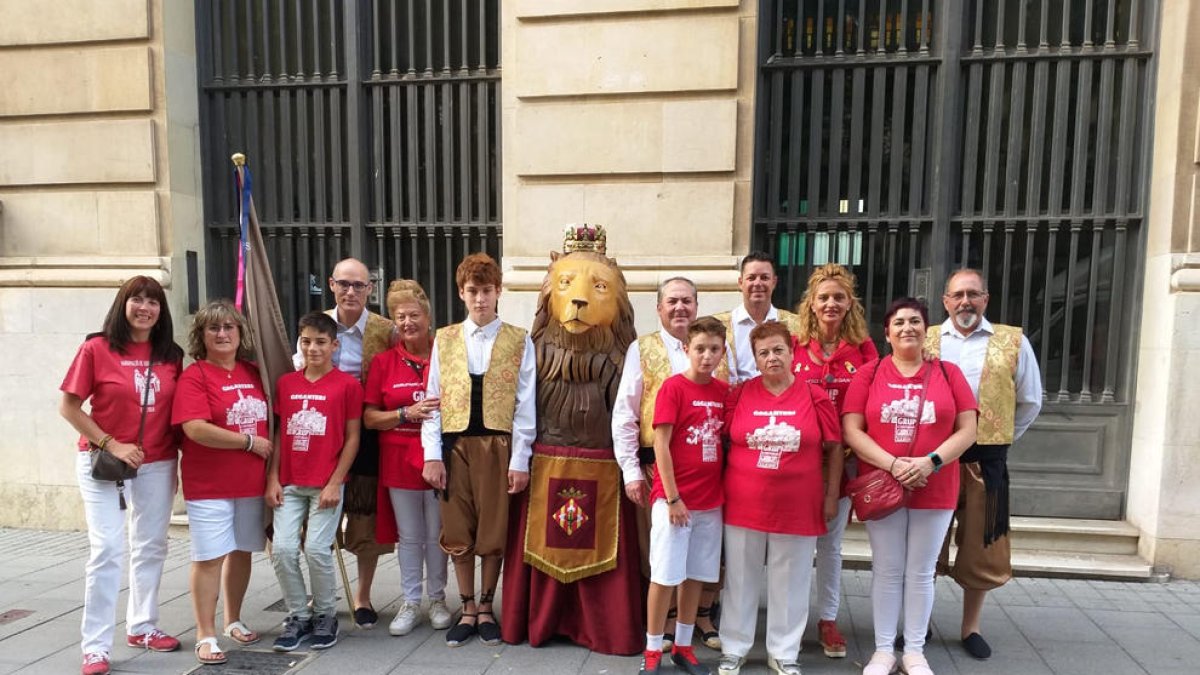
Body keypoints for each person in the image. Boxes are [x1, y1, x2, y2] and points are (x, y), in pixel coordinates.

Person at [842, 298, 978, 675]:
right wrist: (894, 464)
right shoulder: (868, 374)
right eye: (898, 322)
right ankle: (884, 650)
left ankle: (914, 651)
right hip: (883, 485)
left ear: (926, 329)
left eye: (915, 321)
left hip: (935, 486)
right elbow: (852, 430)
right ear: (886, 334)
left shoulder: (948, 374)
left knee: (920, 571)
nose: (907, 328)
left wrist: (929, 462)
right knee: (886, 568)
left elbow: (968, 429)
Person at [59, 276, 185, 675]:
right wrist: (111, 443)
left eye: (153, 301)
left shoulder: (171, 354)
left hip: (157, 461)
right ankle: (95, 647)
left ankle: (142, 625)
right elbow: (69, 407)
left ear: (161, 311)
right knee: (107, 550)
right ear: (123, 304)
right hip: (104, 463)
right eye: (137, 300)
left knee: (151, 546)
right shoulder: (96, 348)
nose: (145, 307)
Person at [421, 252, 536, 648]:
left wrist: (520, 460)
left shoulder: (520, 339)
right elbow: (432, 400)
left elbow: (525, 405)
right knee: (457, 529)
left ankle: (488, 607)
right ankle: (466, 606)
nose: (480, 299)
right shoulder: (445, 338)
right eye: (473, 291)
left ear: (499, 291)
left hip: (498, 445)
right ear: (461, 293)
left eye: (487, 291)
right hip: (454, 446)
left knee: (493, 529)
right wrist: (431, 454)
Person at [929, 269, 1042, 660]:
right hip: (935, 460)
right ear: (945, 301)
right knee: (926, 545)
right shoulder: (926, 339)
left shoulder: (1012, 341)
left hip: (986, 461)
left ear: (985, 299)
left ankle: (970, 626)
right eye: (957, 294)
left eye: (972, 294)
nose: (965, 302)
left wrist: (998, 438)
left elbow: (1030, 401)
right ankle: (919, 623)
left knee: (982, 547)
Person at [717, 321, 842, 675]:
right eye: (763, 352)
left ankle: (784, 651)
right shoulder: (740, 395)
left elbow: (834, 450)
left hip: (798, 504)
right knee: (740, 577)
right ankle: (735, 648)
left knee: (793, 577)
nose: (772, 358)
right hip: (744, 503)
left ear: (792, 353)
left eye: (778, 350)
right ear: (755, 359)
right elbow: (723, 439)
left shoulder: (814, 396)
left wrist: (831, 496)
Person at [613, 278, 723, 650]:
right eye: (672, 301)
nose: (680, 308)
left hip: (707, 480)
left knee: (697, 565)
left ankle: (688, 634)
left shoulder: (716, 350)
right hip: (656, 473)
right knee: (661, 561)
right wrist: (629, 470)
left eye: (687, 301)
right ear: (659, 308)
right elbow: (625, 414)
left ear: (696, 306)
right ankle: (657, 638)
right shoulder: (641, 349)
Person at [292, 258, 396, 629]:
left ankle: (363, 594)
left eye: (359, 285)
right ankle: (319, 592)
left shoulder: (386, 329)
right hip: (321, 431)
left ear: (371, 289)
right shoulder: (315, 325)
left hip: (367, 434)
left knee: (365, 516)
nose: (351, 292)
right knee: (314, 515)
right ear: (331, 285)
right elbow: (297, 372)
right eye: (344, 284)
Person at [172, 300, 272, 665]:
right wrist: (246, 442)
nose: (223, 333)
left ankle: (232, 619)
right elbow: (194, 428)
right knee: (210, 557)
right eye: (214, 328)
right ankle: (205, 633)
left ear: (241, 333)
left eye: (230, 327)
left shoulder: (253, 372)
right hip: (209, 485)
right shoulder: (195, 375)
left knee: (242, 551)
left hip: (250, 482)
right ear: (201, 336)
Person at [789, 264, 879, 659]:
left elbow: (876, 403)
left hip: (842, 463)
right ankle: (788, 621)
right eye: (823, 297)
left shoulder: (864, 350)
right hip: (796, 464)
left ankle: (827, 618)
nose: (830, 303)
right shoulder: (793, 346)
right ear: (811, 303)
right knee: (794, 545)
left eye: (838, 297)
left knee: (830, 545)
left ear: (849, 304)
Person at [268, 311, 364, 652]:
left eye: (321, 342)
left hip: (326, 482)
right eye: (306, 341)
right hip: (291, 482)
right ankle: (298, 615)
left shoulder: (348, 386)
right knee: (281, 550)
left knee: (316, 550)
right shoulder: (286, 383)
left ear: (335, 345)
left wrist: (337, 481)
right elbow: (280, 434)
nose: (313, 348)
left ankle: (325, 614)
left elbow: (353, 438)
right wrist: (273, 479)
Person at [640, 316, 729, 675]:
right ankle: (651, 650)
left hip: (711, 501)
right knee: (664, 575)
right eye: (700, 349)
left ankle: (683, 645)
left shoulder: (723, 393)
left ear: (722, 352)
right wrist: (673, 498)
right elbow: (660, 442)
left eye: (714, 349)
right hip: (675, 501)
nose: (706, 356)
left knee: (695, 576)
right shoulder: (673, 388)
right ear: (686, 349)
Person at [362, 280, 453, 636]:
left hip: (438, 460)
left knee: (437, 533)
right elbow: (370, 417)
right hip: (398, 459)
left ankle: (438, 599)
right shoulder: (384, 362)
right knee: (409, 535)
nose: (407, 322)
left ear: (428, 318)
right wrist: (405, 414)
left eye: (413, 315)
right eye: (400, 316)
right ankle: (411, 600)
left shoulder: (445, 356)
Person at [714, 252, 803, 383]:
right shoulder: (718, 326)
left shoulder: (797, 325)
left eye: (764, 278)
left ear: (774, 282)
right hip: (735, 401)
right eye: (751, 278)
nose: (758, 283)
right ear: (740, 282)